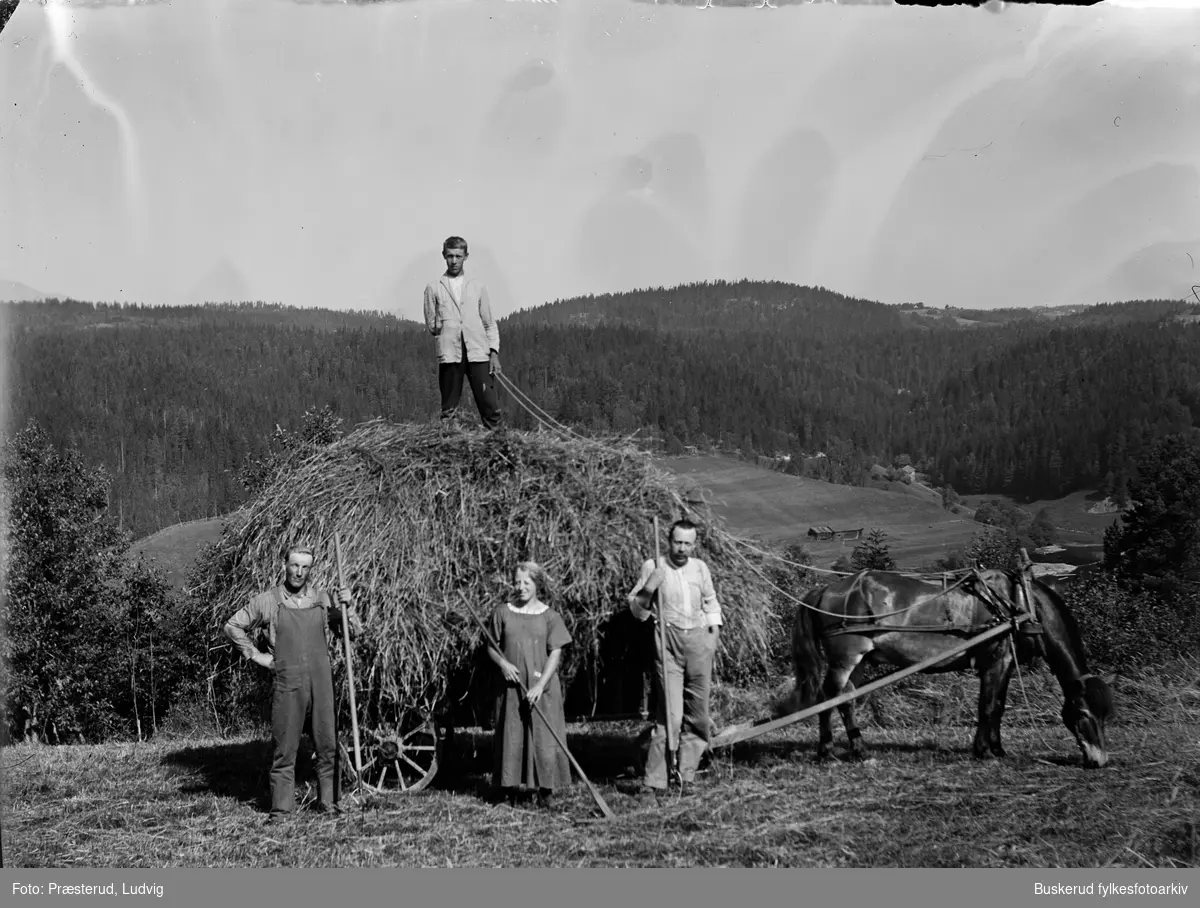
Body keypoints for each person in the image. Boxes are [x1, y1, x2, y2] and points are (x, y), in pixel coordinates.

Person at [223, 544, 362, 823]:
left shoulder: (323, 600)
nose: (299, 572)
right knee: (285, 748)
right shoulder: (268, 601)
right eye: (295, 565)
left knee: (328, 744)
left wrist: (348, 607)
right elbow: (232, 626)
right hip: (288, 681)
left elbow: (355, 633)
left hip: (321, 681)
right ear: (284, 565)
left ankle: (330, 804)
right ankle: (282, 811)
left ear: (311, 569)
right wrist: (258, 656)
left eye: (305, 567)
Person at [627, 519, 723, 793]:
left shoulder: (700, 568)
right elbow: (637, 611)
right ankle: (654, 782)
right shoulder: (653, 567)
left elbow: (711, 601)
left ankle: (686, 776)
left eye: (687, 543)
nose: (681, 548)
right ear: (669, 541)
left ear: (694, 544)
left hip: (699, 643)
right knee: (670, 716)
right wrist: (649, 588)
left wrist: (713, 635)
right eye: (677, 542)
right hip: (667, 644)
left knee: (698, 716)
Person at [485, 561, 573, 808]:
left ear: (537, 584)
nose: (521, 587)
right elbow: (492, 647)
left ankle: (545, 792)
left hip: (540, 689)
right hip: (511, 688)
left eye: (526, 582)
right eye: (517, 582)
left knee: (544, 738)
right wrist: (503, 664)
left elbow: (555, 653)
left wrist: (539, 686)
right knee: (511, 737)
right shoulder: (503, 612)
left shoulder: (549, 616)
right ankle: (506, 792)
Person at [423, 236, 504, 430]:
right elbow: (432, 325)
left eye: (458, 256)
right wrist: (447, 327)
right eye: (450, 256)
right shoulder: (434, 288)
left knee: (489, 405)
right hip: (450, 354)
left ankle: (501, 446)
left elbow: (489, 323)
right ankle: (447, 447)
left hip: (478, 352)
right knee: (449, 408)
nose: (454, 261)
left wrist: (494, 352)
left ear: (465, 257)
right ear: (444, 256)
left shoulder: (477, 286)